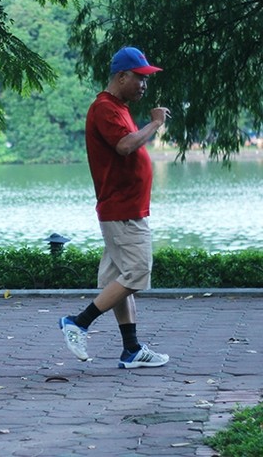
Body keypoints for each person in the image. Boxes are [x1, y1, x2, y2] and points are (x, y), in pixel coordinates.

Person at [59, 46, 170, 369]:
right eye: (140, 78)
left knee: (119, 281)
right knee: (136, 274)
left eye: (147, 79)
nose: (144, 85)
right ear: (121, 76)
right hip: (122, 209)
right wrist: (154, 125)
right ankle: (78, 322)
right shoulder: (105, 108)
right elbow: (124, 146)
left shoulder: (118, 107)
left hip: (125, 207)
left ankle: (132, 349)